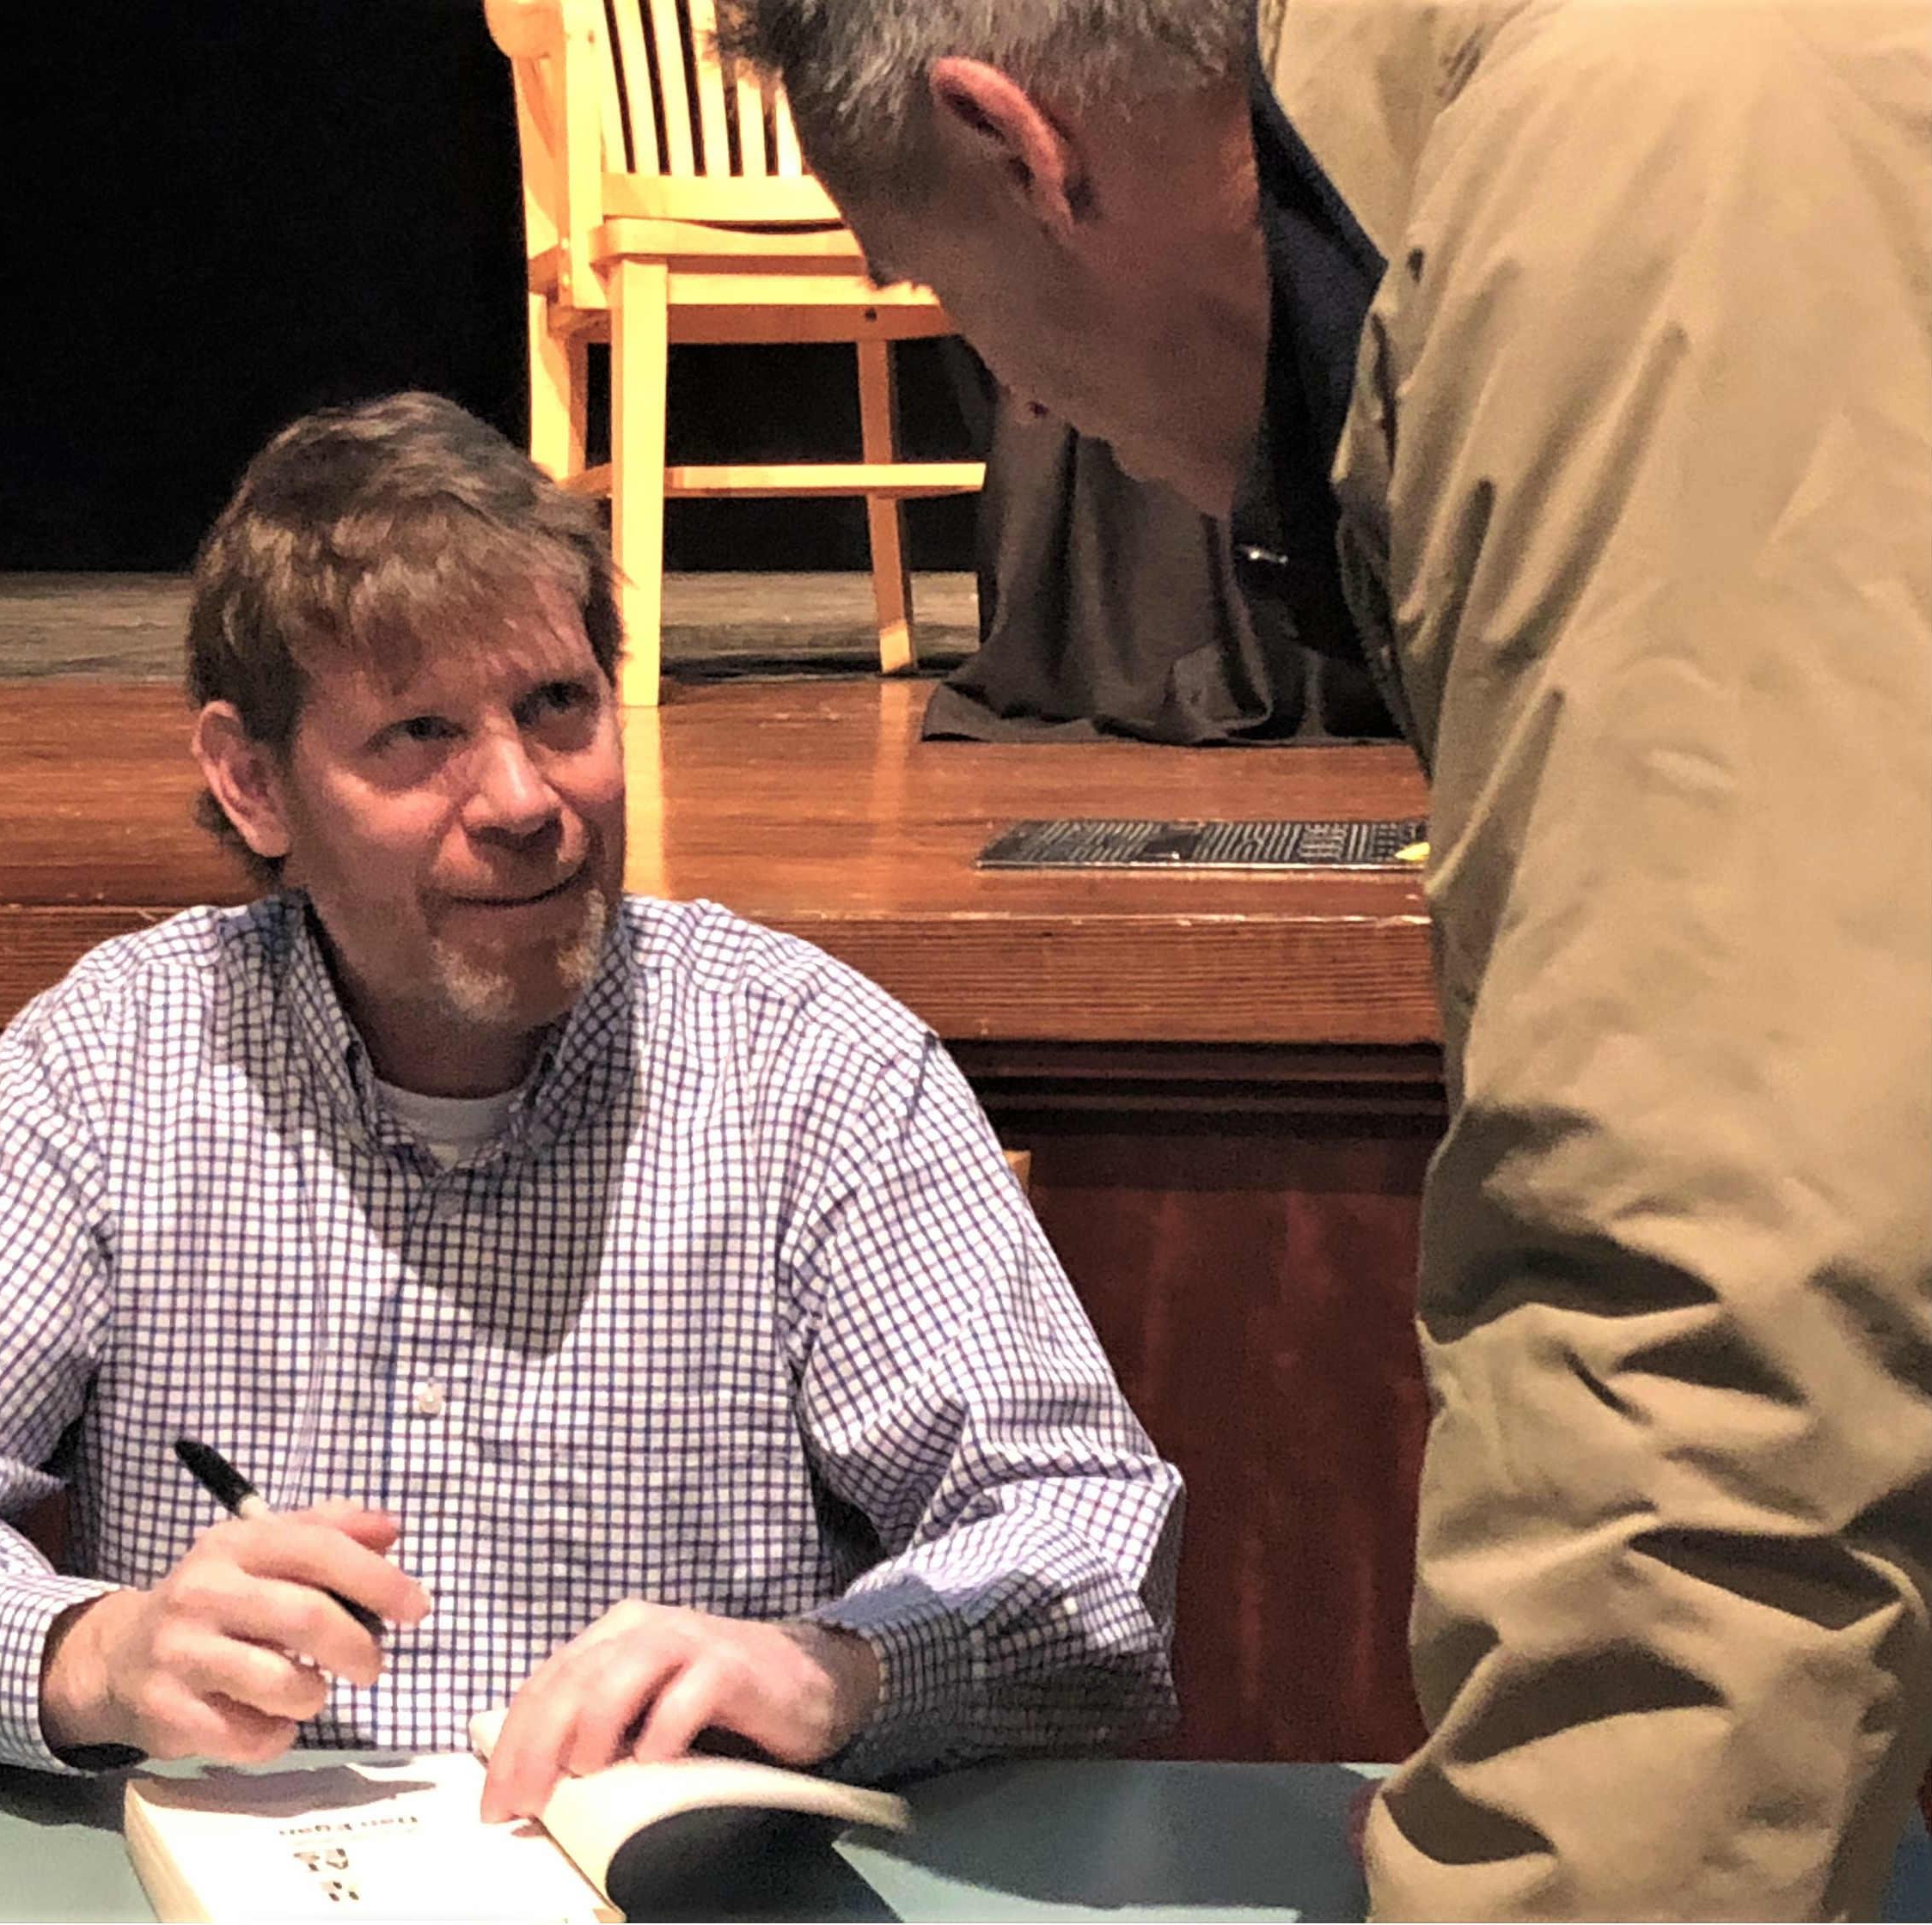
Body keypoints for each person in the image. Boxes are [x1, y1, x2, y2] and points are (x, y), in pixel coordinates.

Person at [718, 0, 1932, 1914]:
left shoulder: (1626, 186)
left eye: (954, 312)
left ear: (1022, 153)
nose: (1025, 406)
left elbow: (1710, 1286)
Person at [0, 391, 1183, 1818]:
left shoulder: (807, 1064)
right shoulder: (120, 1060)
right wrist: (93, 1656)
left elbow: (1091, 1549)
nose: (526, 799)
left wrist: (838, 1672)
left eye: (556, 707)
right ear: (253, 783)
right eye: (418, 736)